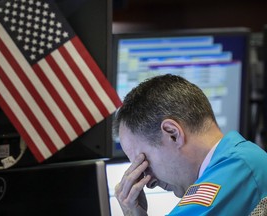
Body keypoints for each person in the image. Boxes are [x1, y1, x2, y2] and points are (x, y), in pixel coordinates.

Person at [113, 74, 267, 216]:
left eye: (144, 163)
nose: (149, 182)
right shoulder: (244, 158)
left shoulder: (236, 174)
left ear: (173, 134)